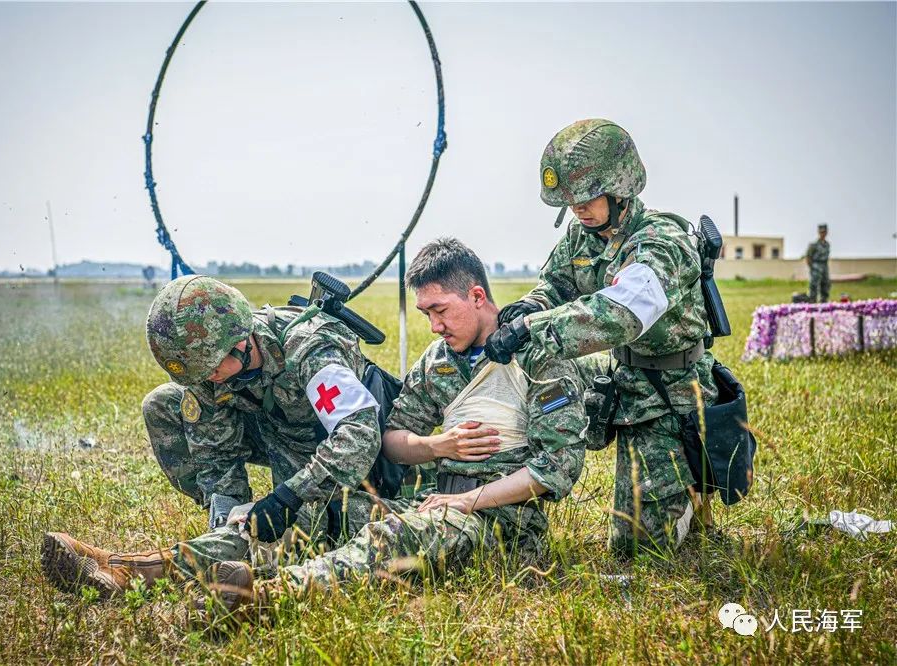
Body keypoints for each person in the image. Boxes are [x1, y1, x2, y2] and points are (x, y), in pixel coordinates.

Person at [200, 238, 609, 618]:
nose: (434, 326)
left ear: (477, 296)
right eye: (426, 314)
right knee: (317, 512)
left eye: (441, 310)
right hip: (433, 505)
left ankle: (262, 598)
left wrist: (468, 501)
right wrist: (437, 446)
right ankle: (176, 565)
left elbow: (556, 469)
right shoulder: (438, 360)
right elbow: (392, 440)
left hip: (505, 526)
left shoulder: (537, 356)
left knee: (394, 536)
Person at [42, 275, 400, 598]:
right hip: (277, 437)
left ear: (241, 341)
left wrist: (289, 497)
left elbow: (360, 435)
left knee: (299, 531)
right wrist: (229, 517)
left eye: (213, 368)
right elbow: (215, 455)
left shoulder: (309, 347)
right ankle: (220, 545)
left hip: (351, 468)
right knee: (164, 404)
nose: (210, 378)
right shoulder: (207, 372)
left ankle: (134, 571)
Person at [485, 118, 719, 557]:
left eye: (587, 199)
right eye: (571, 202)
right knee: (535, 368)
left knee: (638, 549)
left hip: (672, 394)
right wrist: (530, 307)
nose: (578, 210)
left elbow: (621, 314)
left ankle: (691, 503)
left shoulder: (662, 242)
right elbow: (555, 285)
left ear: (620, 188)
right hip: (623, 376)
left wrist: (532, 328)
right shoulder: (582, 235)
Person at [805, 224, 830, 303]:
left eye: (824, 232)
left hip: (824, 265)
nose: (823, 234)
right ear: (819, 232)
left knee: (825, 283)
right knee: (814, 284)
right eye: (821, 232)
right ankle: (812, 300)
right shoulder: (814, 245)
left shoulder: (827, 244)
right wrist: (812, 267)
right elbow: (808, 257)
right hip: (816, 266)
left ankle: (824, 300)